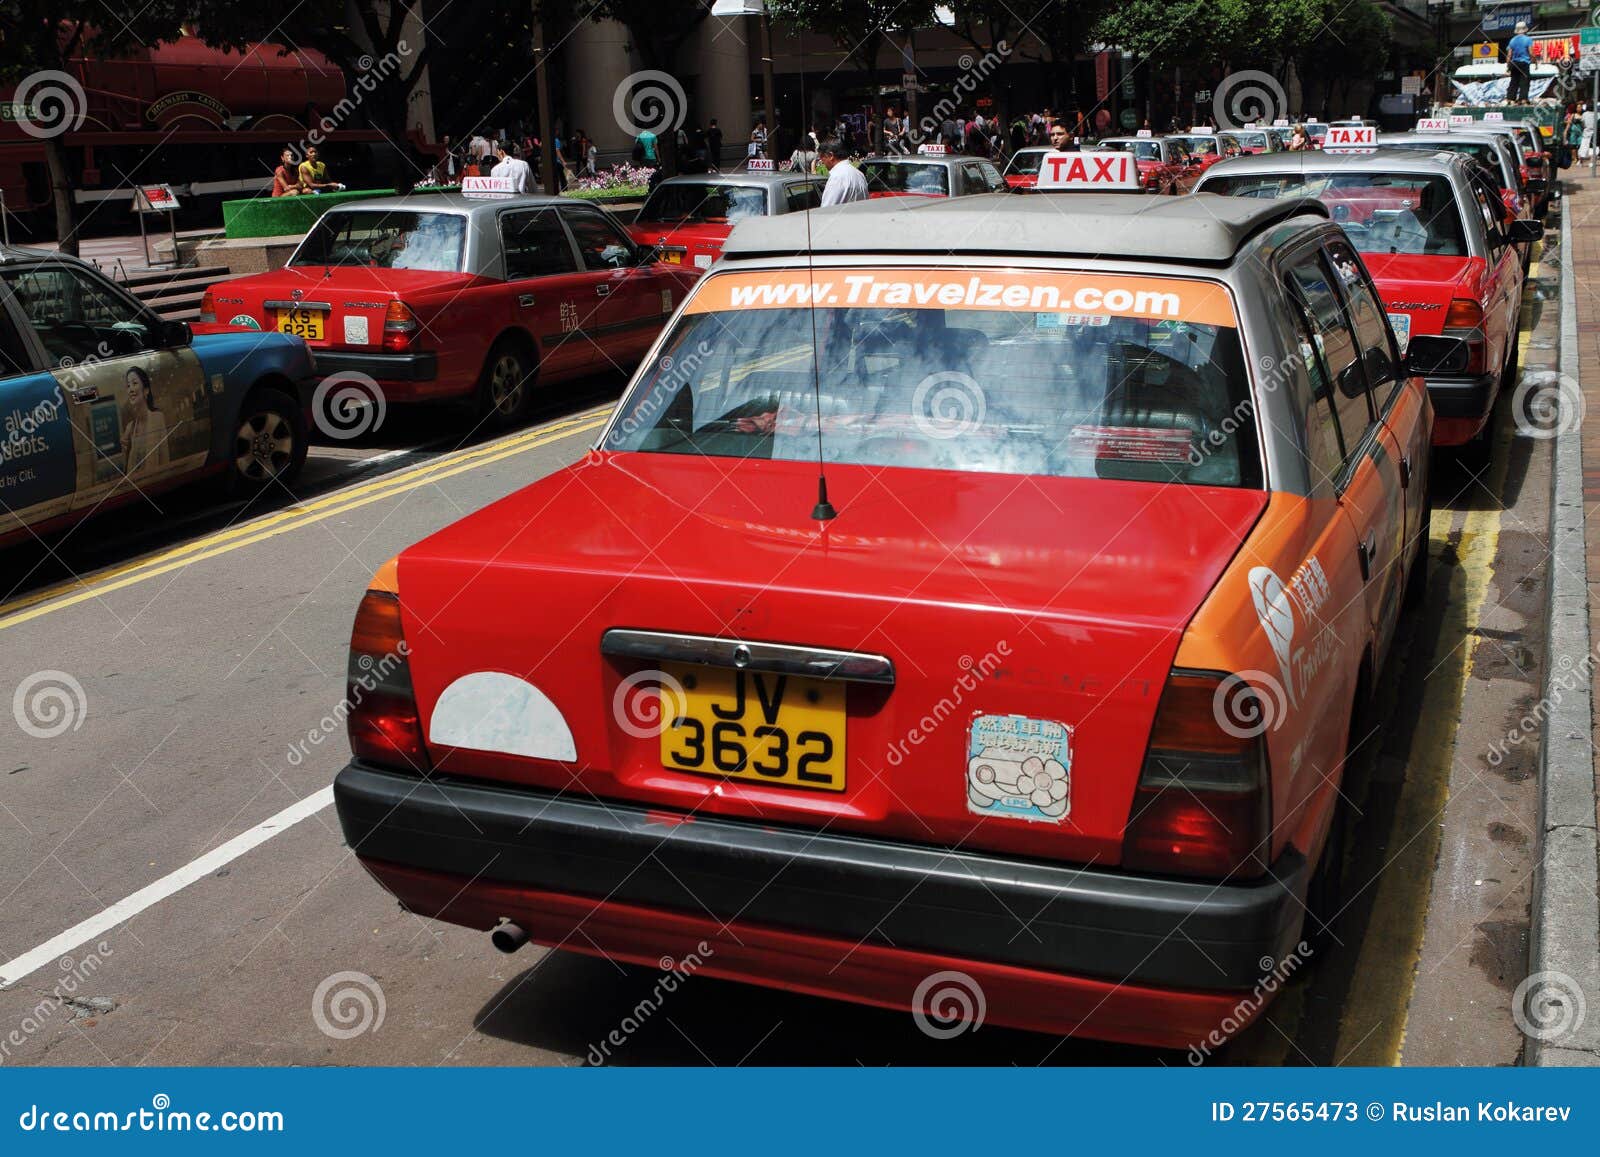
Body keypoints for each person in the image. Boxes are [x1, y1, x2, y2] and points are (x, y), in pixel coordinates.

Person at [120, 366, 168, 476]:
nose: (130, 389)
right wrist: (125, 447)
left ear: (146, 390)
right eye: (128, 385)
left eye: (135, 383)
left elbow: (165, 459)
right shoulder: (130, 427)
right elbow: (128, 468)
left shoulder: (158, 418)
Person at [817, 137, 867, 206]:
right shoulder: (860, 174)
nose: (821, 161)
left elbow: (827, 211)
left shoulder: (837, 178)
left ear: (831, 156)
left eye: (822, 157)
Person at [1508, 20, 1534, 105]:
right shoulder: (1528, 39)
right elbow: (1530, 53)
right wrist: (1535, 61)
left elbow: (1509, 55)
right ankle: (1523, 99)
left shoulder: (1512, 40)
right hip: (1524, 63)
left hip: (1514, 63)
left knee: (1514, 81)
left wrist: (1508, 67)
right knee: (1524, 82)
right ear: (1525, 30)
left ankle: (1510, 99)